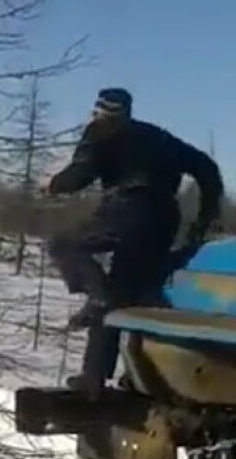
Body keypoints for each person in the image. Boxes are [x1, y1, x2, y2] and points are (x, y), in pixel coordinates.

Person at [42, 88, 224, 394]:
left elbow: (82, 174)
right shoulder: (159, 137)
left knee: (64, 244)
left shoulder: (100, 130)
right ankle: (128, 378)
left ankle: (98, 310)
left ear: (99, 110)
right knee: (133, 292)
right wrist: (205, 219)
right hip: (165, 217)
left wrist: (53, 185)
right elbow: (206, 167)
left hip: (125, 209)